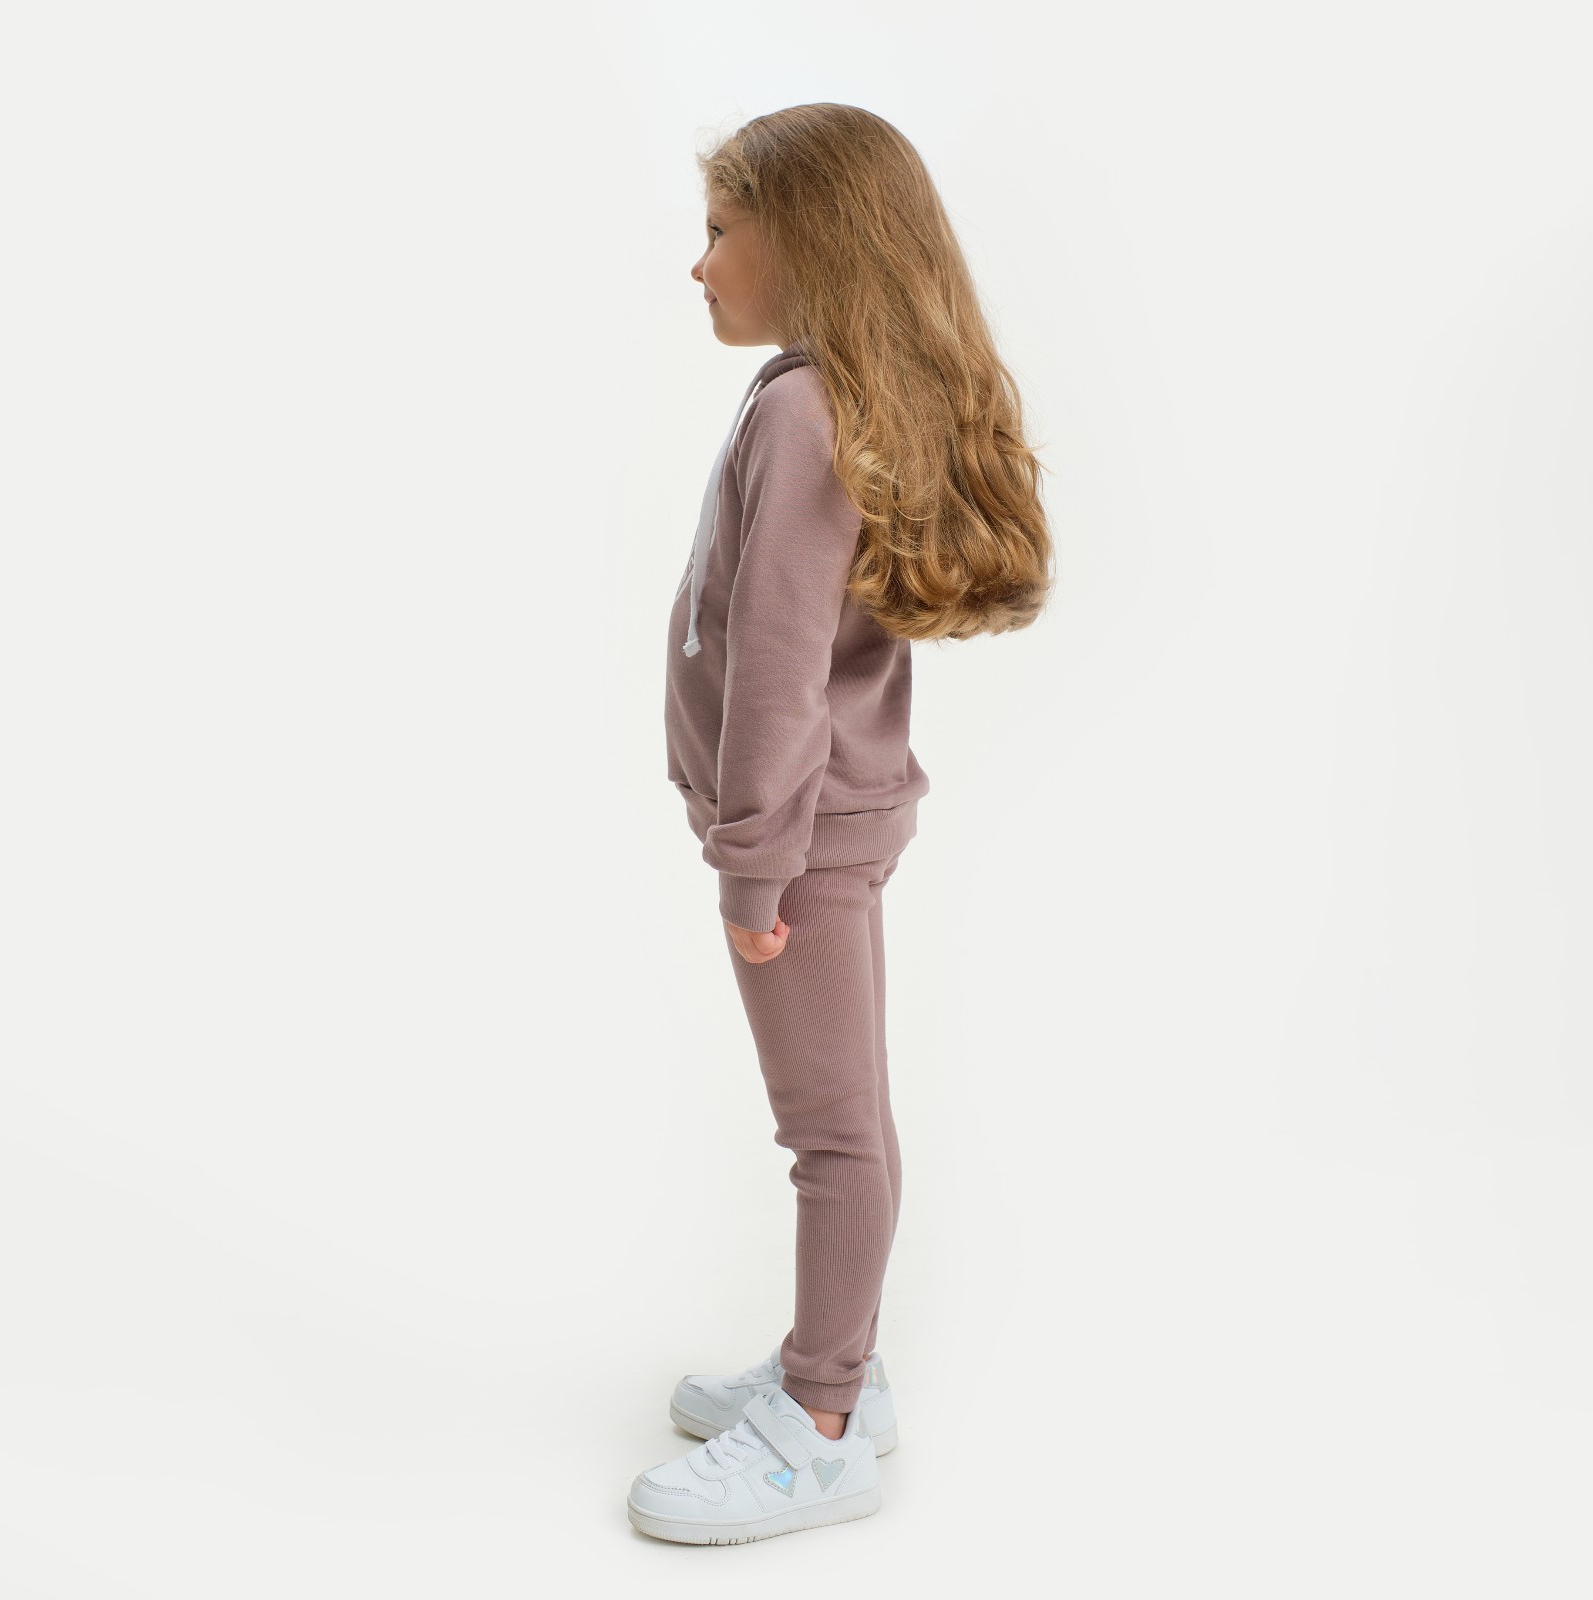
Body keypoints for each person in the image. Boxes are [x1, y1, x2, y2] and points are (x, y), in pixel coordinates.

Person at [628, 103, 1054, 1546]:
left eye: (719, 233)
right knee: (841, 1122)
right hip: (822, 825)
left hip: (801, 838)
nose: (698, 266)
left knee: (832, 1135)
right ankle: (835, 1362)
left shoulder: (805, 413)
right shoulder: (818, 397)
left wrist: (752, 862)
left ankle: (820, 1424)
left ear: (805, 240)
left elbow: (777, 663)